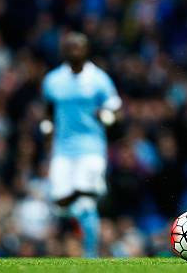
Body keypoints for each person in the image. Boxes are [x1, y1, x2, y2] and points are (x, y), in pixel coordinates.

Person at [40, 32, 122, 257]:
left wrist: (106, 115)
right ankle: (84, 235)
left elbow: (115, 108)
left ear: (87, 50)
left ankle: (90, 256)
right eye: (70, 47)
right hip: (62, 150)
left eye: (78, 46)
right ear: (63, 51)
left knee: (85, 200)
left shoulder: (99, 79)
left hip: (91, 148)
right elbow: (48, 111)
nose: (74, 50)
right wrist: (47, 129)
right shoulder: (53, 80)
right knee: (60, 203)